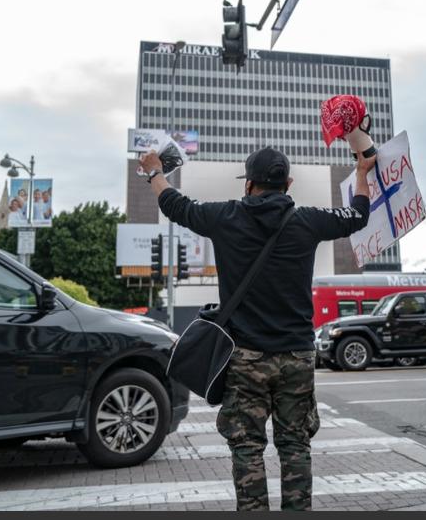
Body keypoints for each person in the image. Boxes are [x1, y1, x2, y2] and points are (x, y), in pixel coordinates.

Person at [139, 146, 375, 511]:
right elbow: (358, 215)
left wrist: (155, 172)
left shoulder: (224, 216)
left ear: (248, 184)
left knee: (246, 446)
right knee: (295, 445)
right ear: (288, 184)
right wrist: (362, 171)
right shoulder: (308, 220)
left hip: (245, 357)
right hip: (297, 354)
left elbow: (174, 205)